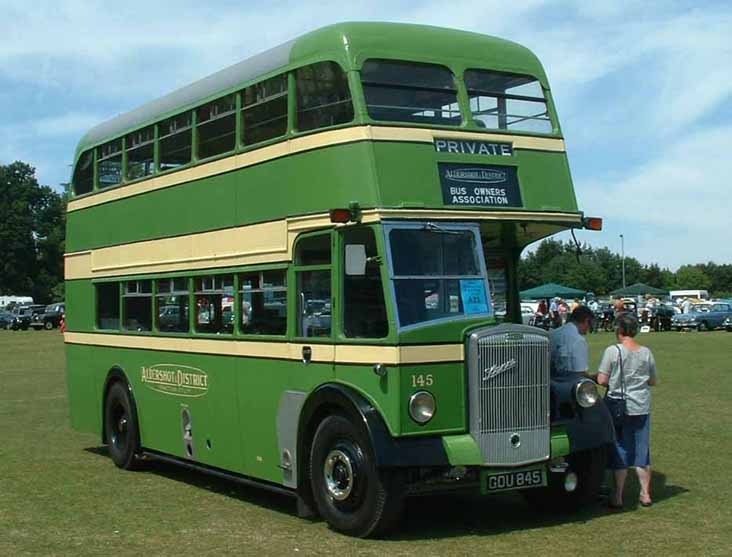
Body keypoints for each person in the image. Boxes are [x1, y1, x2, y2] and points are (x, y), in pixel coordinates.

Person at [597, 313, 658, 509]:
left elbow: (602, 380)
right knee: (642, 450)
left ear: (620, 330)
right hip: (641, 405)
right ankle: (645, 493)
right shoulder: (646, 352)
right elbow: (653, 380)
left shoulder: (612, 351)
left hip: (618, 406)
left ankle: (618, 496)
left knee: (620, 449)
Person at [549, 305, 594, 378]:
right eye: (590, 324)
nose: (588, 329)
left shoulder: (553, 334)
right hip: (567, 385)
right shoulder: (578, 340)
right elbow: (579, 373)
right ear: (586, 321)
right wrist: (594, 378)